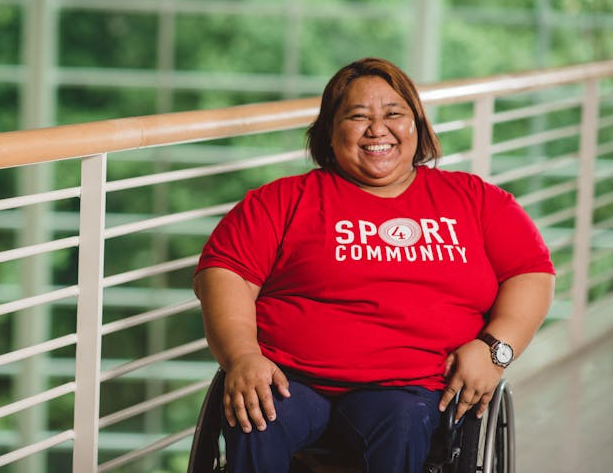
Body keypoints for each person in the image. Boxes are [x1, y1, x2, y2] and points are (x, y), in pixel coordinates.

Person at [192, 57, 555, 473]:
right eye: (357, 116)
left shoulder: (476, 200)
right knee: (255, 415)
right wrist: (241, 356)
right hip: (289, 381)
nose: (377, 129)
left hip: (409, 391)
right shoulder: (281, 201)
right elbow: (224, 273)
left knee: (402, 423)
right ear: (329, 133)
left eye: (394, 114)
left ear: (417, 126)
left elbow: (530, 273)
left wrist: (493, 350)